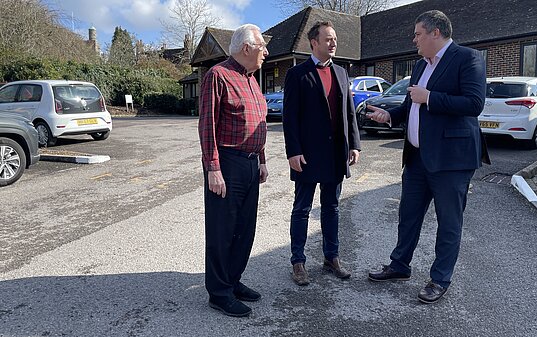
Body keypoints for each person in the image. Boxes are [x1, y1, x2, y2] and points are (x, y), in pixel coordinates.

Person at [366, 10, 490, 304]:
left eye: (418, 33)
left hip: (452, 160)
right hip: (418, 157)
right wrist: (390, 115)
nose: (414, 39)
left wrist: (430, 97)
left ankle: (439, 279)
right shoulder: (421, 66)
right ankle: (399, 266)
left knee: (449, 223)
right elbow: (412, 104)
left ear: (436, 33)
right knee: (408, 216)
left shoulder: (467, 58)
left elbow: (474, 103)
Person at [198, 23, 269, 317]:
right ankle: (219, 292)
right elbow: (207, 126)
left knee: (244, 229)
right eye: (262, 46)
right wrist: (213, 169)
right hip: (227, 162)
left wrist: (262, 160)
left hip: (251, 163)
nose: (266, 51)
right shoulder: (218, 75)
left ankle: (233, 280)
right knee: (222, 230)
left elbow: (258, 123)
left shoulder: (252, 79)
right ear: (246, 48)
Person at [283, 21, 361, 286]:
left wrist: (354, 144)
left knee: (331, 207)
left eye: (335, 38)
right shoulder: (297, 74)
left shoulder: (341, 72)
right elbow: (289, 117)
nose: (333, 43)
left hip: (334, 155)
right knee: (302, 209)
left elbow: (349, 112)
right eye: (328, 39)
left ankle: (332, 257)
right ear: (313, 42)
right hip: (306, 155)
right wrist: (293, 151)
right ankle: (298, 262)